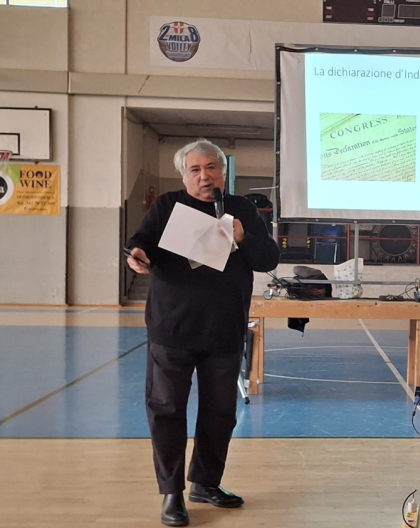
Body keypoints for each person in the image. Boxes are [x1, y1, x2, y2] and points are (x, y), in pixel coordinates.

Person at [127, 139, 280, 526]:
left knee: (219, 414)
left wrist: (244, 237)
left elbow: (268, 259)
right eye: (195, 169)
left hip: (224, 330)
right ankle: (171, 493)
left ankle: (206, 483)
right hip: (172, 329)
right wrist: (137, 256)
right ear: (184, 174)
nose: (204, 176)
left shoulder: (242, 208)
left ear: (222, 172)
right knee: (167, 411)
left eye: (211, 167)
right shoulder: (167, 205)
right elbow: (142, 242)